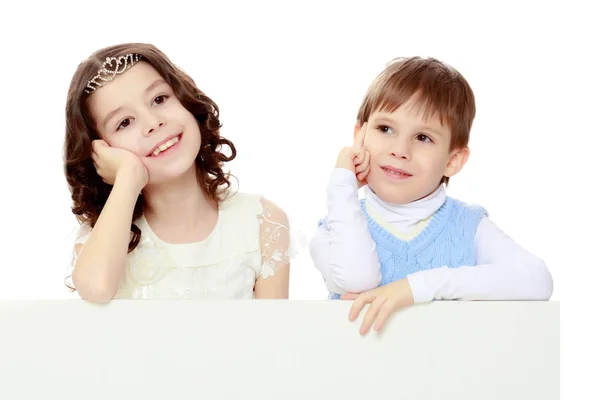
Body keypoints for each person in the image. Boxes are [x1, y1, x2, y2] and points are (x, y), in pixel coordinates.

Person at [309, 56, 553, 334]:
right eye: (385, 129)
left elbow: (537, 279)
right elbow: (357, 279)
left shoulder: (467, 226)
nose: (400, 150)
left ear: (453, 160)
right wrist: (343, 183)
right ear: (359, 136)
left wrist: (417, 287)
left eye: (423, 137)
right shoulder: (335, 228)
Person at [64, 43, 291, 303]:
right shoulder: (107, 236)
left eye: (159, 99)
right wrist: (128, 176)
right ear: (102, 151)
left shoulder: (261, 222)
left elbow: (273, 337)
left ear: (186, 101)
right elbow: (95, 288)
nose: (153, 123)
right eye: (124, 122)